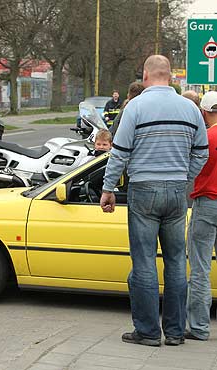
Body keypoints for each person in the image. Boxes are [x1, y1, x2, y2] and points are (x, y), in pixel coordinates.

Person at [100, 55, 209, 347]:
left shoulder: (135, 106)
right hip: (177, 192)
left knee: (144, 261)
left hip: (143, 190)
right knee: (176, 262)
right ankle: (174, 332)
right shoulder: (190, 108)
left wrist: (108, 188)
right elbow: (202, 152)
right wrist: (185, 179)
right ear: (171, 77)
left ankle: (147, 332)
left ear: (146, 76)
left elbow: (119, 152)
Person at [185, 91, 217, 341]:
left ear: (204, 113)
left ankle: (198, 327)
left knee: (200, 268)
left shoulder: (206, 137)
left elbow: (191, 168)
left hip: (208, 203)